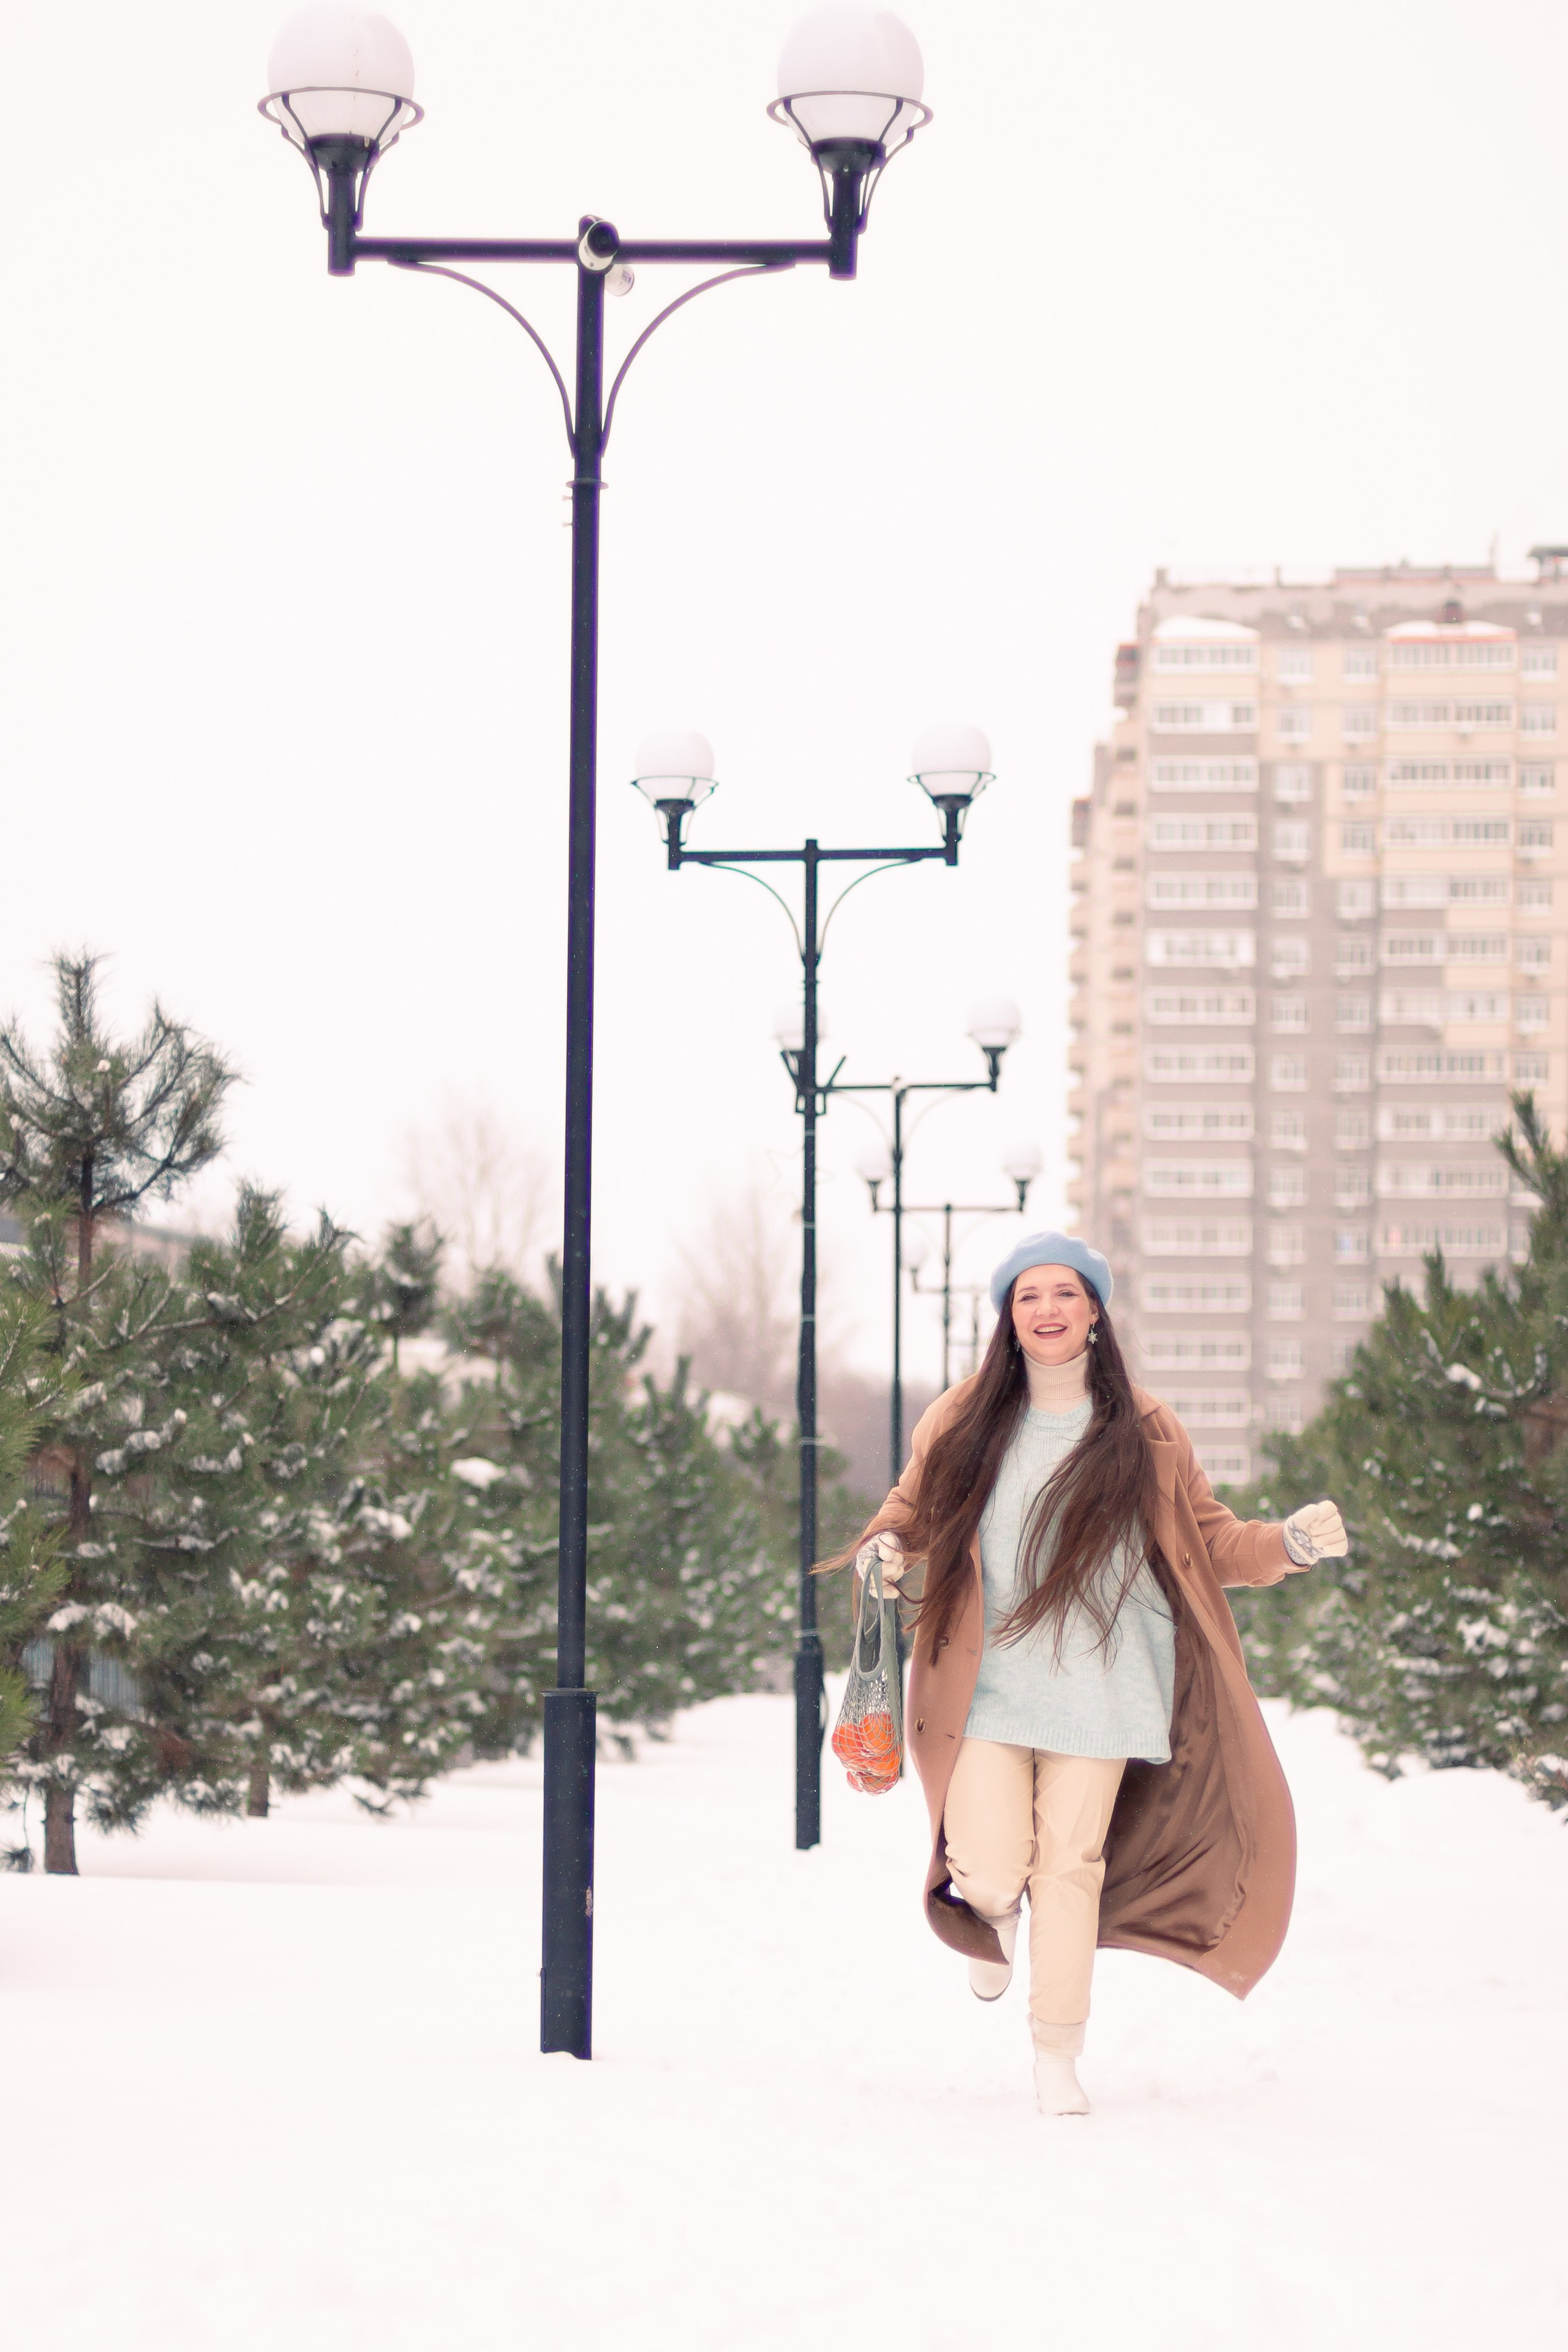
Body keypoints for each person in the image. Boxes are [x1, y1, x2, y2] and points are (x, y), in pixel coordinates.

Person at [842, 1231, 1347, 2118]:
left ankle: (1057, 2055)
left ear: (1096, 1313)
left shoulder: (1144, 1427)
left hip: (1108, 1688)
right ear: (1009, 1315)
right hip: (986, 1687)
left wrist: (1289, 1545)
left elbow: (1214, 1541)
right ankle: (988, 1920)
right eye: (1029, 1295)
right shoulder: (961, 1419)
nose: (1047, 1310)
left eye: (1066, 1294)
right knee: (994, 1868)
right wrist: (885, 1546)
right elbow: (911, 1511)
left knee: (1072, 1867)